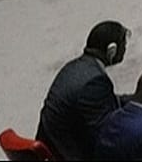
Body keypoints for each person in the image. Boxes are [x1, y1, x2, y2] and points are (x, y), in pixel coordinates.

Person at [37, 21, 130, 161]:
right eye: (124, 45)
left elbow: (100, 101)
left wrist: (134, 100)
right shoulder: (95, 80)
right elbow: (107, 135)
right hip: (68, 152)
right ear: (112, 50)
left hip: (53, 139)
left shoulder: (74, 66)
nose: (125, 49)